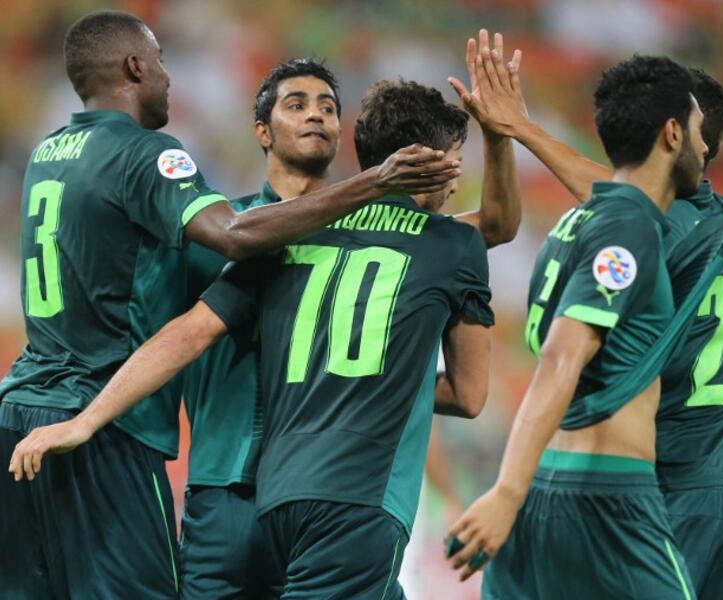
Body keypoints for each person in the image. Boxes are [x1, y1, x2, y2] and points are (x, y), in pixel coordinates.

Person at [0, 10, 458, 599]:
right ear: (136, 67)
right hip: (108, 422)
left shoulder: (48, 153)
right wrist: (373, 182)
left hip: (24, 406)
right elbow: (236, 237)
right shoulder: (149, 157)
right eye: (161, 63)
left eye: (326, 106)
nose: (168, 77)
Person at [178, 54, 520, 598]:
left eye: (329, 106)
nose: (316, 115)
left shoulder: (403, 238)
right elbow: (182, 335)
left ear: (345, 133)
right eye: (297, 104)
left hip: (311, 486)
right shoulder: (220, 233)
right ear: (261, 131)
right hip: (229, 491)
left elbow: (494, 226)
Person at [481, 59, 723, 599]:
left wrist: (523, 130)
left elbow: (623, 197)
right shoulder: (703, 222)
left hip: (691, 485)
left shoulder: (660, 224)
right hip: (694, 478)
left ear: (680, 136)